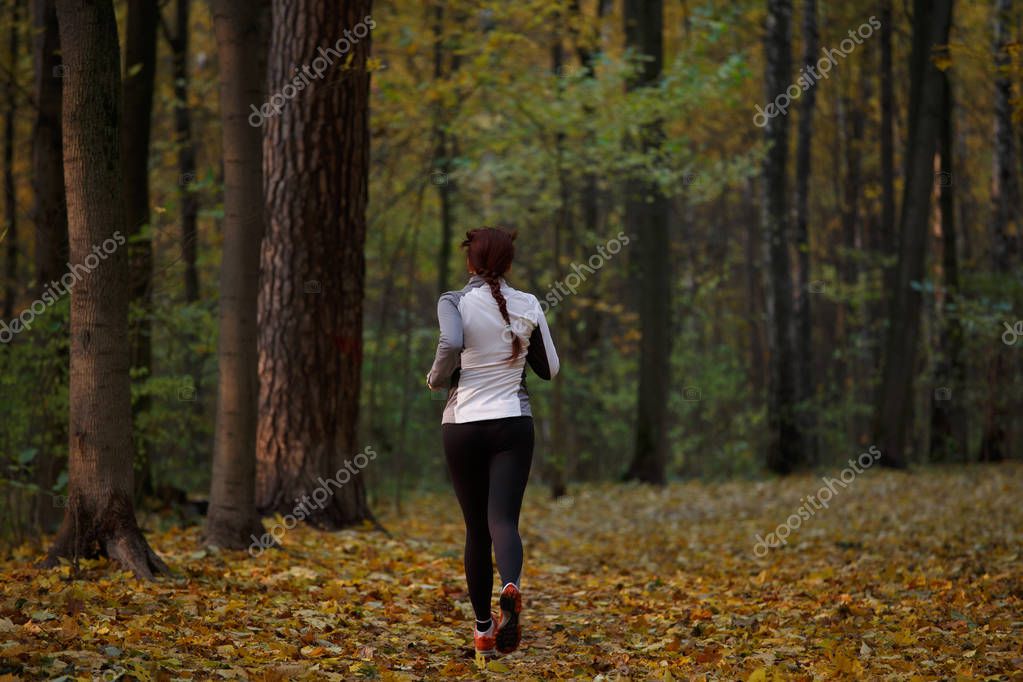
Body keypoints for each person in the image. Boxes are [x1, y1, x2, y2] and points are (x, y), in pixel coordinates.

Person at [426, 227, 559, 657]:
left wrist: (436, 377)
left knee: (474, 530)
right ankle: (511, 586)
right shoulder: (529, 304)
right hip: (512, 424)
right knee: (503, 520)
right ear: (509, 263)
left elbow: (450, 341)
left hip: (463, 424)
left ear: (471, 262)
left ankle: (483, 629)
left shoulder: (454, 301)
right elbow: (551, 369)